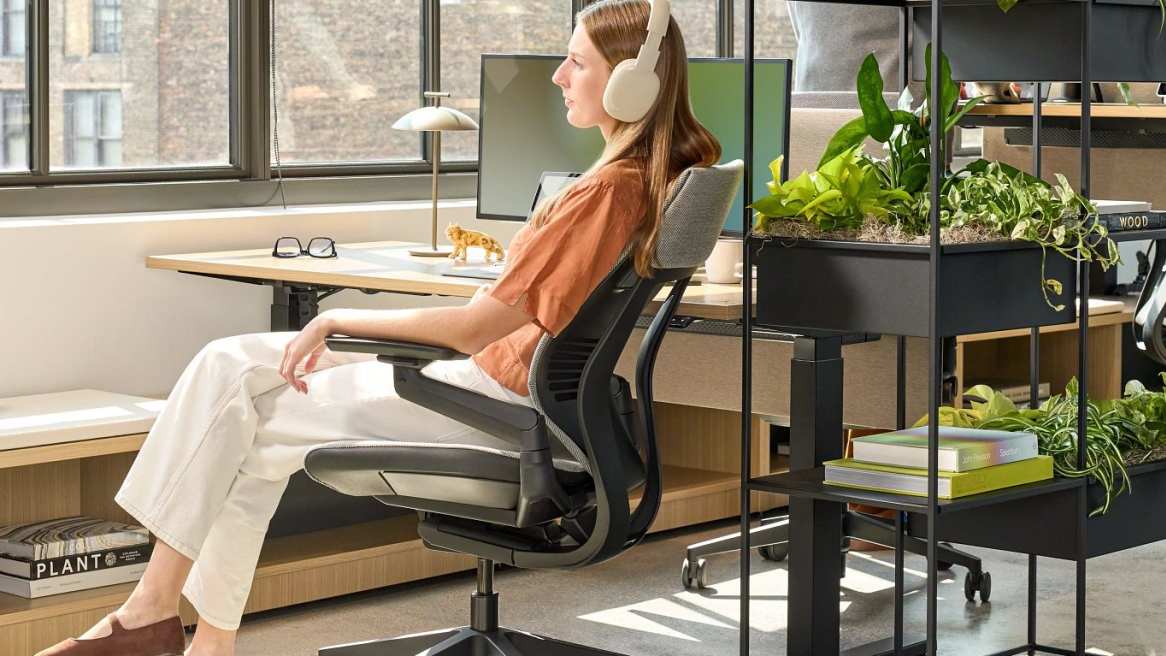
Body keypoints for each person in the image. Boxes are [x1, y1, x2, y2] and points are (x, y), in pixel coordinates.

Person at [36, 1, 720, 655]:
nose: (558, 76)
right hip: (525, 399)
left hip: (493, 403)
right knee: (234, 388)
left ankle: (155, 618)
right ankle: (185, 629)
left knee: (242, 408)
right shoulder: (651, 177)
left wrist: (337, 318)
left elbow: (475, 330)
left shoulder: (605, 191)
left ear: (631, 84)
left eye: (577, 62)